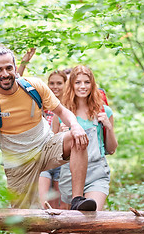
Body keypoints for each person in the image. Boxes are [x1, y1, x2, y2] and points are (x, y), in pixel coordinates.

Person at [0, 45, 97, 210]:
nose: (5, 74)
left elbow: (61, 111)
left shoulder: (33, 87)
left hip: (46, 147)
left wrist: (75, 126)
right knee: (26, 222)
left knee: (78, 137)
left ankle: (77, 200)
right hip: (18, 164)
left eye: (9, 68)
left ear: (15, 68)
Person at [52, 65, 118, 211]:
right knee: (73, 223)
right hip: (69, 174)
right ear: (71, 85)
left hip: (97, 172)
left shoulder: (103, 111)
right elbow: (55, 154)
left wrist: (108, 126)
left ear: (92, 84)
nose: (83, 86)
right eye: (78, 82)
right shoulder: (61, 114)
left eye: (87, 82)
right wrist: (61, 136)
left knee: (91, 216)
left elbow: (112, 149)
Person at [39, 70, 67, 209]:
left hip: (62, 160)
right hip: (44, 158)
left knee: (59, 205)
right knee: (43, 202)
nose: (55, 86)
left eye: (59, 83)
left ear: (66, 85)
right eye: (52, 83)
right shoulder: (42, 105)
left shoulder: (69, 109)